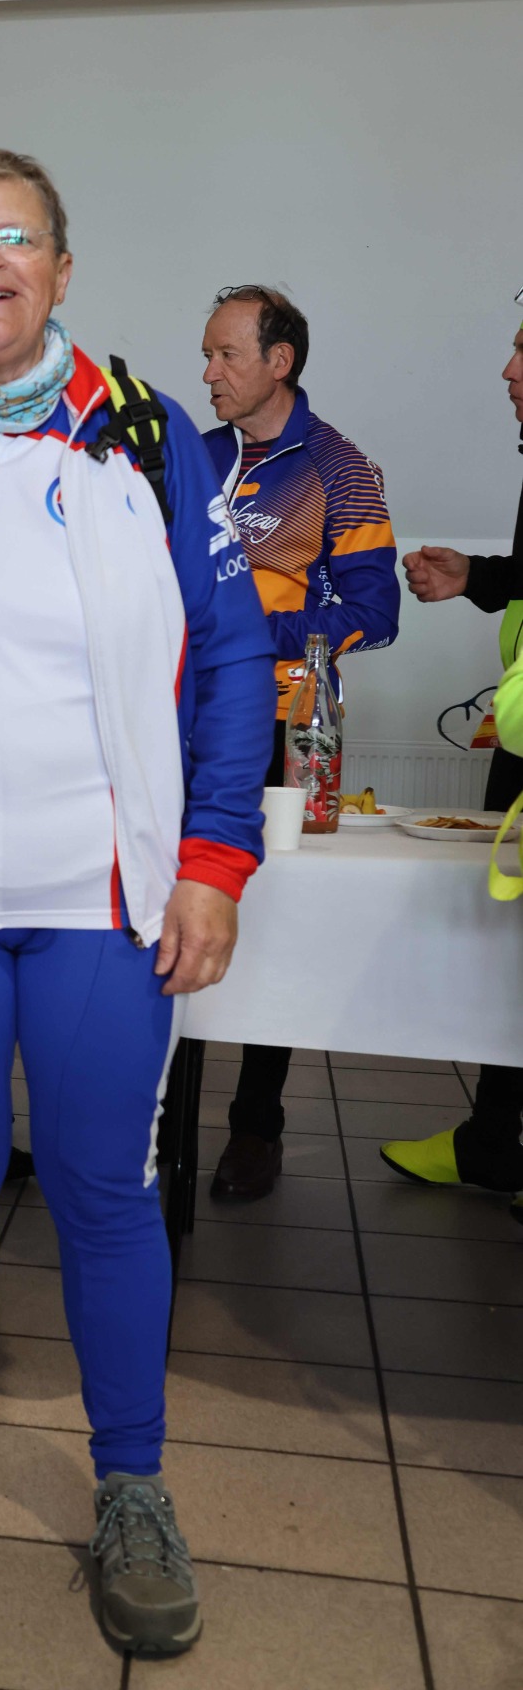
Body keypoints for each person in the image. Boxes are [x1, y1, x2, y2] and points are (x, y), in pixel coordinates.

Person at [0, 148, 276, 1656]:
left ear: (62, 269)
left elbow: (230, 659)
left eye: (15, 236)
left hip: (102, 894)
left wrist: (211, 861)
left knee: (102, 1189)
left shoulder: (144, 435)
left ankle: (131, 1485)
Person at [200, 286, 399, 1200]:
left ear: (278, 362)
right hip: (180, 717)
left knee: (266, 922)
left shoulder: (338, 469)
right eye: (206, 356)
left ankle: (255, 1127)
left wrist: (240, 633)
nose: (208, 374)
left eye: (226, 355)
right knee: (162, 906)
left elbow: (373, 612)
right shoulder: (194, 457)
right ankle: (154, 1113)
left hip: (279, 724)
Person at [388, 317, 523, 1219]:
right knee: (506, 941)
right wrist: (476, 576)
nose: (507, 370)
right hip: (517, 732)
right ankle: (490, 1140)